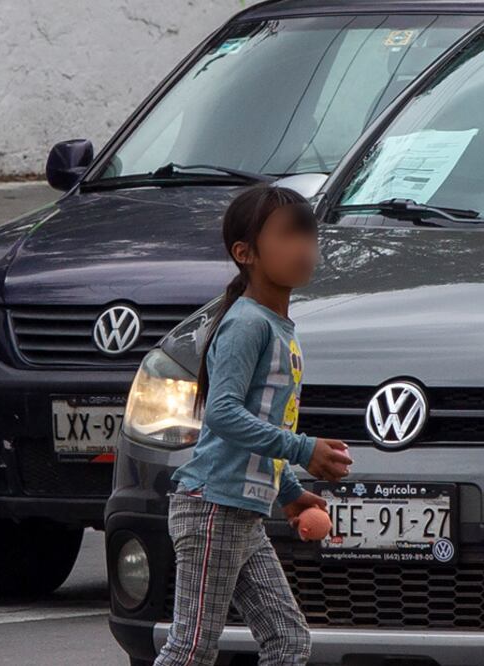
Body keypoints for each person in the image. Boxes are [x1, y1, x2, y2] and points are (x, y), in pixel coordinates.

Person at [153, 185, 353, 666]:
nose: (304, 248)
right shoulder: (248, 324)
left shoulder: (280, 327)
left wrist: (287, 490)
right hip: (213, 509)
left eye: (309, 236)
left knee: (288, 641)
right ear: (245, 253)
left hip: (241, 513)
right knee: (190, 650)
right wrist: (303, 450)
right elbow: (222, 414)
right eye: (288, 236)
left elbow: (262, 422)